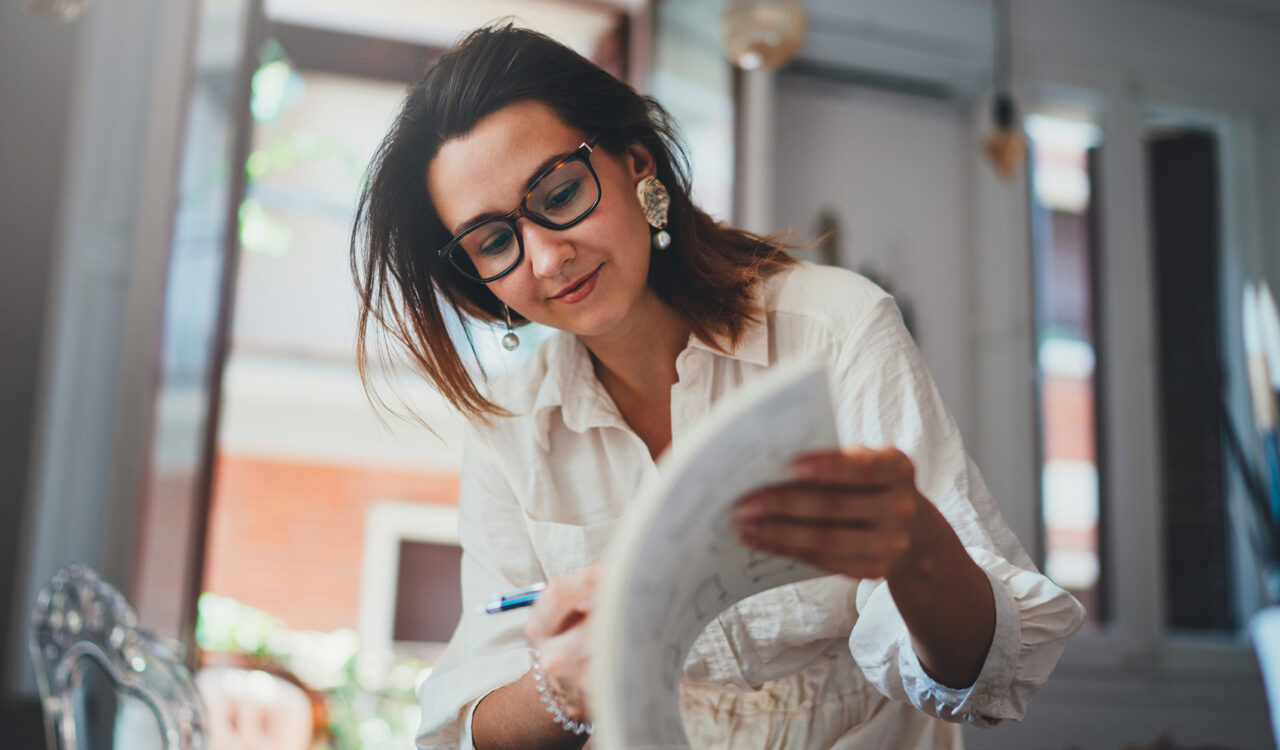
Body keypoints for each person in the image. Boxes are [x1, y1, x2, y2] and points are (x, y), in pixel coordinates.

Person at [351, 23, 1085, 750]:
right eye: (494, 242)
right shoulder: (509, 428)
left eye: (561, 191)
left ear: (637, 162)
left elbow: (987, 675)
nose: (545, 257)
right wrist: (566, 687)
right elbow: (465, 728)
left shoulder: (832, 330)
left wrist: (918, 544)